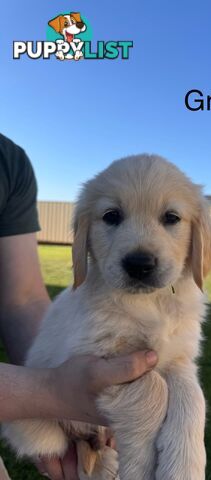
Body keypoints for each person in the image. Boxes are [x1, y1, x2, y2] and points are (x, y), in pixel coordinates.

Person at [0, 133, 158, 480]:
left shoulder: (8, 160)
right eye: (113, 216)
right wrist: (46, 393)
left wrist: (71, 403)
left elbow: (21, 299)